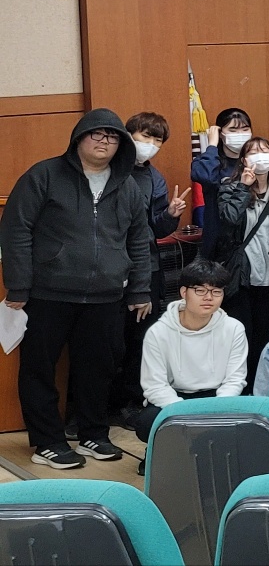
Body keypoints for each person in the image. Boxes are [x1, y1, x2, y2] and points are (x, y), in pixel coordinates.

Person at [0, 109, 154, 468]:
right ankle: (47, 442)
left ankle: (93, 435)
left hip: (106, 296)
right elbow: (16, 229)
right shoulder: (44, 175)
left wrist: (140, 290)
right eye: (97, 134)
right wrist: (18, 285)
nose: (104, 142)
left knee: (98, 370)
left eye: (112, 137)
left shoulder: (127, 186)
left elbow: (139, 240)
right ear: (79, 138)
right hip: (47, 293)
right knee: (39, 370)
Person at [109, 112, 185, 423]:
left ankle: (131, 402)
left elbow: (157, 229)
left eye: (157, 139)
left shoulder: (155, 178)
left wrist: (171, 214)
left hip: (146, 269)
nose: (150, 144)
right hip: (108, 268)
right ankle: (97, 407)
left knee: (141, 338)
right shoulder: (109, 169)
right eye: (145, 136)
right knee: (107, 340)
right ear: (128, 135)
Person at [132, 261, 247, 443]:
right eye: (200, 290)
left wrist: (217, 411)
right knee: (147, 423)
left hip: (216, 397)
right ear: (184, 292)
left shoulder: (234, 328)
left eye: (216, 291)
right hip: (175, 397)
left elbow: (235, 379)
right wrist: (185, 414)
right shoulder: (158, 332)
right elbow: (155, 386)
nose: (209, 297)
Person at [216, 137, 269, 391]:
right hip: (240, 276)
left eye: (264, 151)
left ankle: (262, 388)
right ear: (243, 160)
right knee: (241, 337)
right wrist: (243, 187)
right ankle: (240, 388)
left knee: (265, 335)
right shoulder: (229, 187)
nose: (260, 156)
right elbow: (228, 220)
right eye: (253, 152)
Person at [193, 107, 252, 257]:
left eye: (245, 129)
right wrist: (212, 145)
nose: (240, 134)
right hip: (218, 240)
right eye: (233, 130)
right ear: (220, 133)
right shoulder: (209, 160)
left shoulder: (255, 161)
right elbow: (206, 177)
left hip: (251, 238)